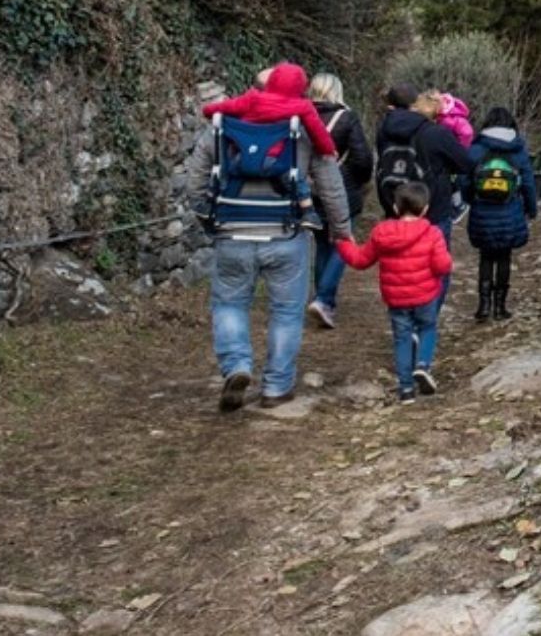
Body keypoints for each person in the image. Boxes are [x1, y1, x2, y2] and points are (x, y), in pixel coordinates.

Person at [183, 67, 350, 412]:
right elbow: (331, 185)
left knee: (229, 304)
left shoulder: (223, 125)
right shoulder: (303, 128)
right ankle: (276, 386)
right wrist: (341, 230)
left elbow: (195, 183)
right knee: (286, 312)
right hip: (286, 234)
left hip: (232, 232)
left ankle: (237, 366)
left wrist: (208, 220)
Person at [336, 182, 452, 402]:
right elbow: (442, 266)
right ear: (426, 208)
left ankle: (406, 389)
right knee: (427, 327)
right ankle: (423, 365)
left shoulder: (382, 233)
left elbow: (361, 260)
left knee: (402, 338)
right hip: (425, 296)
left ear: (396, 209)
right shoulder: (433, 233)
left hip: (396, 299)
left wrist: (343, 244)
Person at [373, 85, 474, 312]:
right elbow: (465, 164)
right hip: (433, 208)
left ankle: (404, 318)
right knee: (436, 267)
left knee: (400, 267)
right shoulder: (437, 133)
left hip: (395, 206)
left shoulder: (384, 130)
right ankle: (426, 319)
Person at [306, 72, 374, 330]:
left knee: (322, 244)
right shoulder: (346, 118)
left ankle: (324, 299)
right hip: (342, 189)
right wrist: (358, 181)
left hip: (310, 191)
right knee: (342, 243)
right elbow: (362, 158)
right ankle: (324, 299)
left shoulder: (300, 117)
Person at [465, 106, 540, 321]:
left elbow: (465, 180)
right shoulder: (518, 150)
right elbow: (528, 183)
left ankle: (483, 306)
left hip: (482, 210)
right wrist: (531, 209)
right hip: (510, 210)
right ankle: (500, 307)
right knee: (504, 257)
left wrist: (471, 199)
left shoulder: (477, 148)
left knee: (486, 257)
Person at [201, 63, 340, 158]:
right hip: (278, 162)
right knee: (298, 183)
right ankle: (304, 199)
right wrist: (328, 150)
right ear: (302, 86)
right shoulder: (303, 106)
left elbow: (218, 108)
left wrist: (207, 110)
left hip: (244, 155)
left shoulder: (251, 99)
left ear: (272, 80)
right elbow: (318, 132)